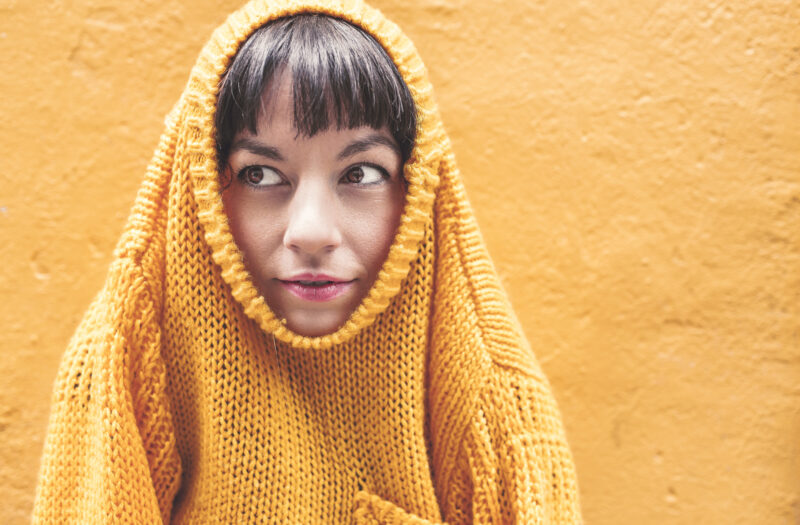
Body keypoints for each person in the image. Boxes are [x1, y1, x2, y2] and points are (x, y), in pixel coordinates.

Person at [33, 1, 582, 523]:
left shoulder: (498, 405)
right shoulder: (123, 361)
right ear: (199, 194)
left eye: (361, 173)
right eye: (259, 175)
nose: (312, 231)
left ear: (418, 190)